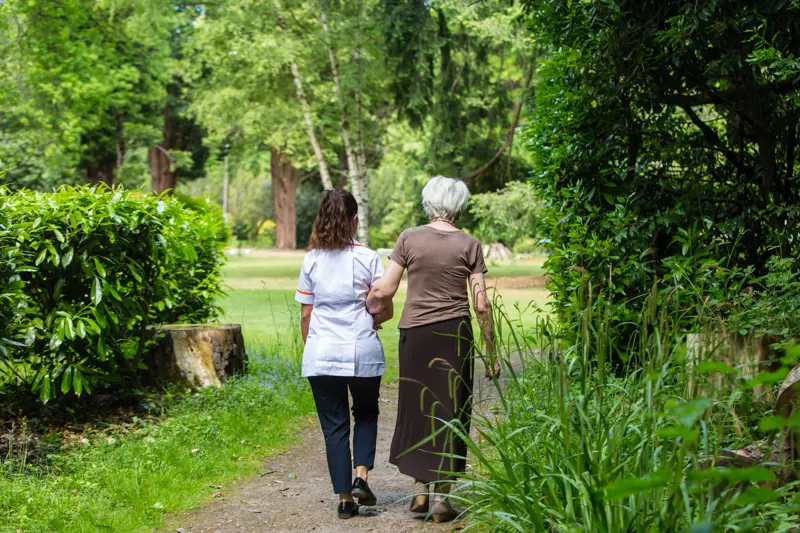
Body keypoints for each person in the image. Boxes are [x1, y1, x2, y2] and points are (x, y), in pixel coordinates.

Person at [366, 175, 498, 523]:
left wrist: (371, 309)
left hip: (416, 335)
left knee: (417, 408)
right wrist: (492, 354)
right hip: (455, 336)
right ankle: (442, 498)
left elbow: (385, 289)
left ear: (429, 202)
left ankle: (420, 490)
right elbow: (481, 305)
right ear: (459, 205)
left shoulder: (409, 238)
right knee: (451, 409)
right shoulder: (470, 244)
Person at [295, 189, 393, 520]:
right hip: (361, 350)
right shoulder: (368, 258)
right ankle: (361, 476)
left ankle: (345, 499)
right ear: (354, 220)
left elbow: (306, 315)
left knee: (334, 427)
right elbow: (383, 308)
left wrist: (311, 347)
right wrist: (375, 317)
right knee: (365, 413)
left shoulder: (312, 260)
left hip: (321, 353)